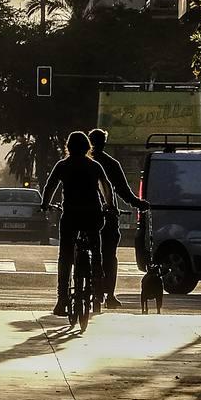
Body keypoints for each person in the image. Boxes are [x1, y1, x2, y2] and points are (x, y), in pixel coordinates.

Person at [40, 130, 113, 318]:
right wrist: (109, 205)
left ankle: (62, 299)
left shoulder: (63, 165)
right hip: (92, 214)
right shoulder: (94, 166)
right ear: (87, 147)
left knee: (65, 256)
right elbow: (106, 186)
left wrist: (45, 204)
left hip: (71, 215)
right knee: (95, 246)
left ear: (69, 147)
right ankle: (97, 281)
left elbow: (50, 186)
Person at [88, 128, 151, 310]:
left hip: (83, 214)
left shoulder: (80, 162)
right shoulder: (110, 164)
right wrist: (138, 204)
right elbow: (123, 191)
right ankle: (110, 294)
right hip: (108, 214)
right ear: (104, 143)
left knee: (78, 248)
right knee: (109, 254)